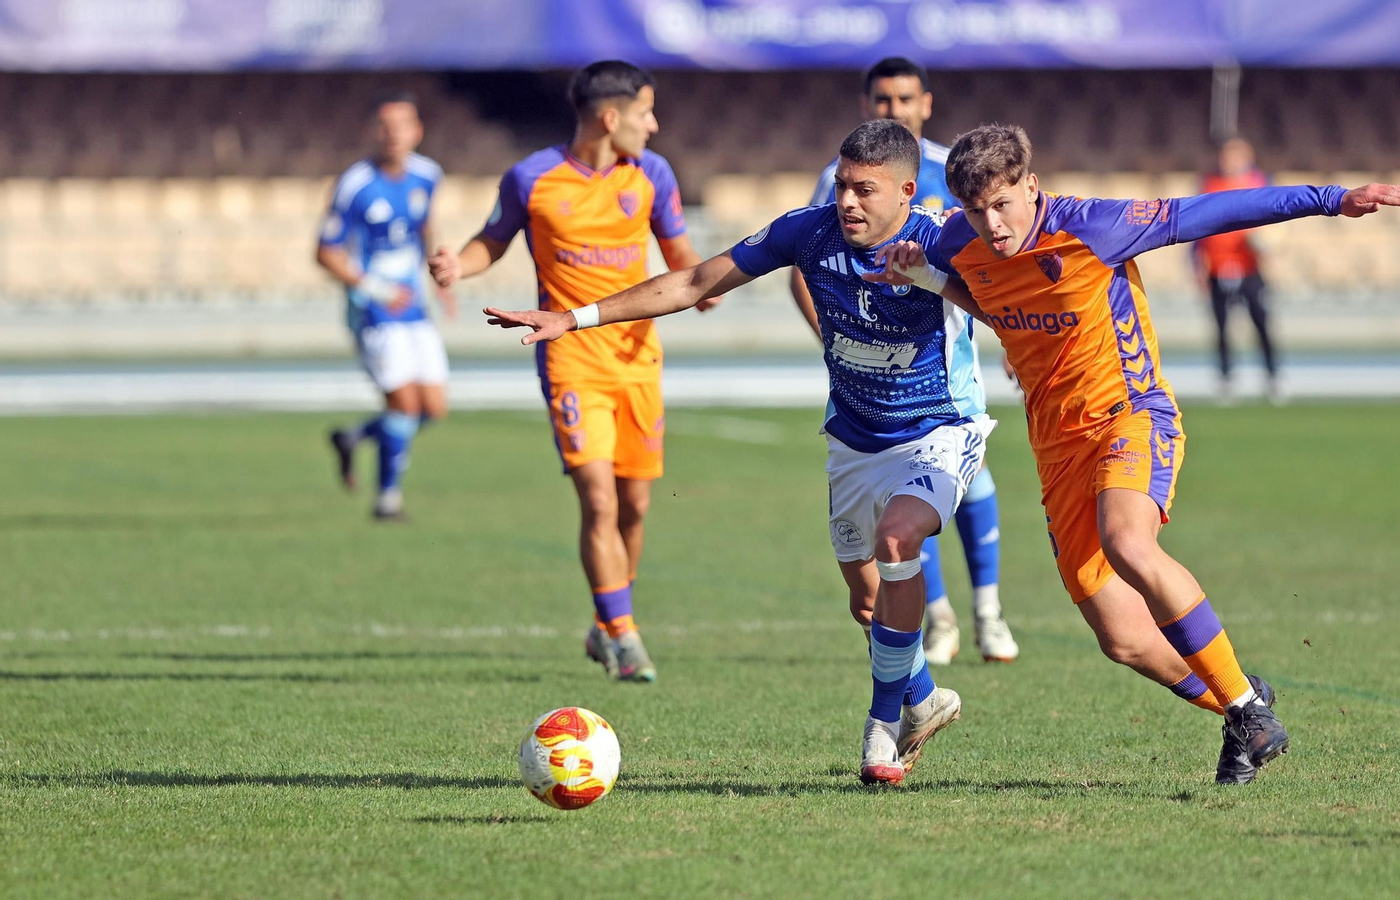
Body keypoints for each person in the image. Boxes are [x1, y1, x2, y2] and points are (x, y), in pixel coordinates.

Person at [869, 124, 1400, 783]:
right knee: (1122, 639)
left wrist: (1331, 198)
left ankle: (1244, 705)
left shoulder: (1095, 227)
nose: (993, 223)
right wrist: (926, 274)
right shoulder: (962, 241)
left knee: (1128, 541)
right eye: (977, 210)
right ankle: (1242, 706)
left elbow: (1215, 211)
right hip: (1057, 445)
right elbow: (995, 303)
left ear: (1030, 185)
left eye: (1003, 204)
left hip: (1131, 415)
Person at [483, 120, 985, 785]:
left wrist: (930, 278)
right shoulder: (806, 232)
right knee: (867, 606)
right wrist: (573, 319)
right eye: (842, 186)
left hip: (937, 429)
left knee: (898, 543)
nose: (848, 202)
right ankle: (922, 699)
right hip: (855, 441)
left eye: (864, 190)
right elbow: (694, 282)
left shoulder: (940, 238)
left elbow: (1005, 307)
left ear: (905, 190)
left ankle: (882, 727)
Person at [427, 61, 719, 683]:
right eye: (646, 113)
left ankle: (606, 619)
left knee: (636, 504)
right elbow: (493, 240)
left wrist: (705, 283)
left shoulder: (653, 174)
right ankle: (623, 633)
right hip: (570, 358)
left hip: (638, 359)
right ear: (612, 118)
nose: (655, 124)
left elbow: (679, 252)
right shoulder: (531, 176)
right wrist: (460, 262)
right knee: (598, 497)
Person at [790, 56, 1016, 666]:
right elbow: (803, 274)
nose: (894, 109)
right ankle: (937, 619)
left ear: (927, 104)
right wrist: (846, 350)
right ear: (868, 107)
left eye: (904, 100)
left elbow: (996, 269)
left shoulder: (954, 172)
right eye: (882, 100)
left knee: (961, 488)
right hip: (874, 382)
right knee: (905, 509)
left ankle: (989, 613)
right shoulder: (835, 184)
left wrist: (1015, 341)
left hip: (951, 370)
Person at [319, 93, 453, 521]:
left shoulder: (427, 175)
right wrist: (375, 289)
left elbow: (426, 222)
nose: (394, 134)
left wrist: (438, 274)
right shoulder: (355, 185)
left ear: (417, 131)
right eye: (385, 125)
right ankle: (387, 500)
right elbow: (326, 252)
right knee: (404, 406)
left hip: (414, 306)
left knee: (433, 409)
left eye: (403, 125)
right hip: (373, 309)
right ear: (373, 132)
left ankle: (355, 437)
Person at [1195, 137, 1281, 405]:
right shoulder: (1209, 184)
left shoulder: (1260, 182)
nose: (1229, 161)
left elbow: (1277, 222)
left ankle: (1272, 376)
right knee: (1221, 326)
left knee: (1261, 322)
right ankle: (1226, 378)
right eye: (1226, 156)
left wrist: (1268, 244)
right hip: (1219, 267)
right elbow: (1197, 229)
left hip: (1250, 268)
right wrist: (1197, 263)